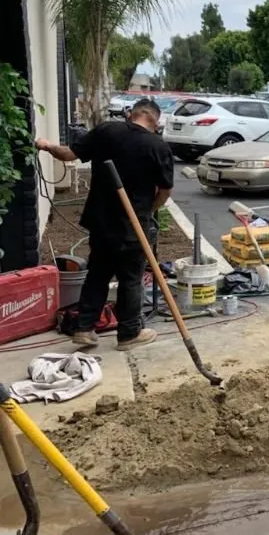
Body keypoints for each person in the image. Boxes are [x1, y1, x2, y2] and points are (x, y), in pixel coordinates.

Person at [35, 98, 174, 351]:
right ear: (156, 121)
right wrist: (146, 210)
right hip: (133, 225)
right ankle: (129, 333)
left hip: (101, 220)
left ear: (131, 114)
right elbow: (165, 191)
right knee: (131, 278)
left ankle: (85, 329)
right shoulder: (158, 146)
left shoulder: (106, 131)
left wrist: (45, 146)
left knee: (98, 274)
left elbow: (68, 154)